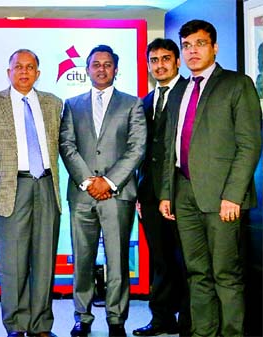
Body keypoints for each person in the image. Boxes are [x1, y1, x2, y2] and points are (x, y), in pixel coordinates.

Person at [158, 19, 262, 337]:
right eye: (187, 46)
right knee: (196, 273)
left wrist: (233, 195)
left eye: (199, 44)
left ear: (214, 47)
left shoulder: (236, 84)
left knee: (226, 274)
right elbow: (168, 147)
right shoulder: (178, 91)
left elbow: (249, 145)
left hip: (222, 199)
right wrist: (166, 193)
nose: (192, 51)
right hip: (184, 193)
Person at [59, 44, 146, 337]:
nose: (101, 69)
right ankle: (82, 317)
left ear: (116, 69)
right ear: (87, 69)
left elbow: (137, 148)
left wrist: (108, 182)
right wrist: (88, 181)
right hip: (82, 195)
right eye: (96, 64)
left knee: (117, 260)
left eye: (107, 64)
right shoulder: (72, 104)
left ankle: (116, 319)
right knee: (82, 259)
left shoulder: (132, 104)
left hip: (117, 195)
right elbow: (67, 145)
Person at [0, 49, 63, 337]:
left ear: (38, 72)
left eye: (30, 67)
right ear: (8, 72)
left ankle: (40, 325)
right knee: (12, 262)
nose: (24, 72)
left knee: (44, 260)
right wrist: (4, 176)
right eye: (18, 67)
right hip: (12, 188)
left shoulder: (53, 104)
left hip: (47, 187)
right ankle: (15, 325)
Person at [132, 37, 190, 337]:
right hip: (151, 194)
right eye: (154, 60)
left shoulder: (191, 94)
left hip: (185, 193)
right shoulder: (145, 101)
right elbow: (142, 151)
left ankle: (190, 321)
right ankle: (162, 318)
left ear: (177, 61)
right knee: (161, 258)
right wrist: (142, 192)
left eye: (166, 58)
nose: (160, 65)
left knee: (188, 258)